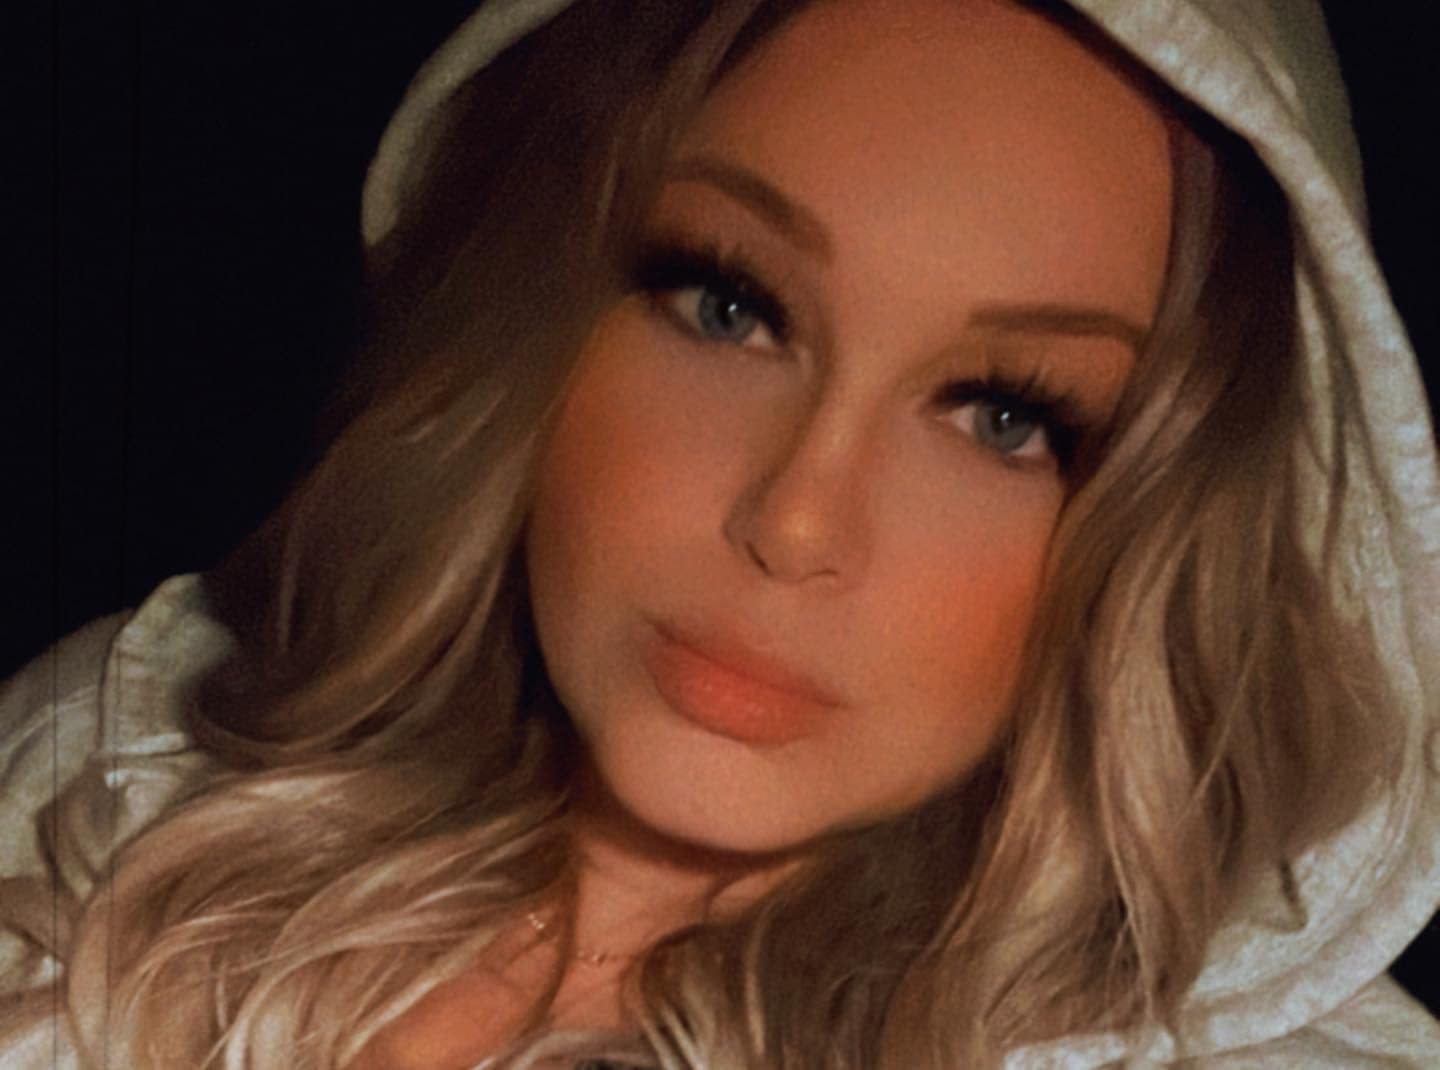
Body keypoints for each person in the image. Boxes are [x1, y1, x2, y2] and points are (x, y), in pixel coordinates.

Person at [3, 0, 1438, 1066]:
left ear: (1170, 522)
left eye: (1005, 415)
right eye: (729, 304)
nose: (796, 518)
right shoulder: (103, 770)